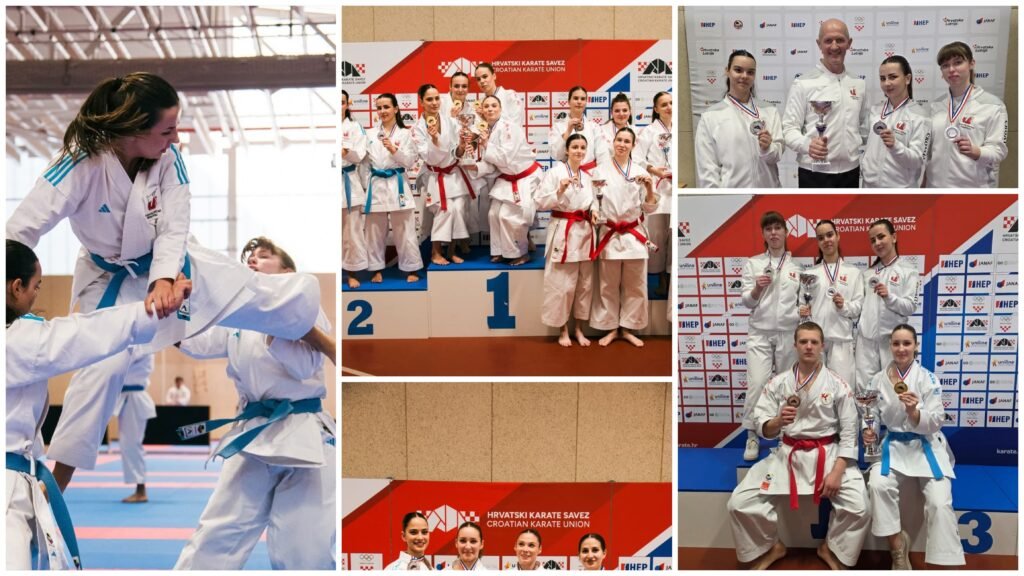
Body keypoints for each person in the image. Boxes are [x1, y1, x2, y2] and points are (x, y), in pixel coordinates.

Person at [5, 72, 333, 492]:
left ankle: (329, 346)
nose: (175, 138)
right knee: (98, 371)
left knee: (256, 295)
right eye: (167, 130)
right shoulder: (80, 161)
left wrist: (162, 278)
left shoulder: (169, 159)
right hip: (106, 274)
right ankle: (56, 485)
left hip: (175, 263)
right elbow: (21, 230)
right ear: (133, 130)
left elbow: (174, 228)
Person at [6, 239, 190, 570]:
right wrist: (153, 307)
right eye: (36, 287)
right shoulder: (19, 340)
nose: (37, 295)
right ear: (16, 287)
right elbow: (88, 332)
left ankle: (138, 485)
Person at [173, 236, 335, 570]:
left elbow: (304, 367)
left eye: (263, 256)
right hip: (252, 433)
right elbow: (197, 342)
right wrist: (174, 310)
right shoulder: (237, 318)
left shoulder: (306, 307)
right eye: (249, 257)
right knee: (216, 535)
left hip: (305, 432)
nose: (252, 260)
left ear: (287, 272)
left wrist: (276, 325)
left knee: (302, 548)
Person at [726, 322, 869, 570]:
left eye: (814, 342)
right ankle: (772, 547)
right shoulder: (778, 383)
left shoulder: (838, 384)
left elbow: (849, 433)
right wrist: (778, 421)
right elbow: (762, 426)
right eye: (803, 342)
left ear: (822, 346)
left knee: (860, 507)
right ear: (795, 345)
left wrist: (837, 472)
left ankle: (830, 549)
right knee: (739, 503)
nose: (809, 346)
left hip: (828, 453)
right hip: (788, 453)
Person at [863, 325, 964, 569]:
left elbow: (937, 421)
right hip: (894, 446)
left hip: (925, 446)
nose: (901, 349)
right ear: (890, 346)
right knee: (877, 485)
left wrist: (914, 412)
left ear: (916, 346)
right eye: (896, 343)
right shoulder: (877, 380)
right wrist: (869, 431)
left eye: (906, 343)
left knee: (940, 502)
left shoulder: (928, 379)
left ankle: (942, 563)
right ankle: (897, 547)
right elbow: (871, 414)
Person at [739, 211, 802, 461]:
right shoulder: (753, 264)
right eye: (768, 229)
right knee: (757, 384)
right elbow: (747, 301)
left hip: (788, 333)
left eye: (777, 228)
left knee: (787, 386)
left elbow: (802, 303)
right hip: (760, 333)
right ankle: (752, 435)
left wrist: (800, 312)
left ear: (786, 232)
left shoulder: (797, 267)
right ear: (763, 234)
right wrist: (757, 288)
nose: (773, 233)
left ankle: (784, 434)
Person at [590, 127, 658, 347]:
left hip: (633, 235)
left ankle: (628, 329)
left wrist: (649, 187)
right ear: (613, 142)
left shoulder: (640, 172)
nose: (621, 144)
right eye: (619, 140)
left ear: (633, 145)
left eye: (627, 141)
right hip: (609, 233)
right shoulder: (599, 171)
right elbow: (593, 200)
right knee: (607, 285)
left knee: (635, 285)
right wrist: (594, 212)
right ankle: (611, 328)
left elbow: (649, 207)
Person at [782, 19, 867, 188]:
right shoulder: (803, 83)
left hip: (851, 171)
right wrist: (807, 145)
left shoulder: (858, 83)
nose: (834, 46)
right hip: (813, 172)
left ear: (849, 43)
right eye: (828, 40)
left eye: (840, 40)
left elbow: (864, 126)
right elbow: (789, 128)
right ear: (819, 44)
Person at [536, 133, 596, 347]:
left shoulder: (588, 176)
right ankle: (562, 330)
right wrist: (559, 190)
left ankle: (579, 329)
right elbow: (539, 202)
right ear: (567, 150)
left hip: (585, 233)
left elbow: (593, 201)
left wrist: (594, 211)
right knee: (561, 285)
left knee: (584, 285)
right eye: (575, 147)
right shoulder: (554, 173)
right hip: (563, 231)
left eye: (582, 147)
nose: (579, 151)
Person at [925, 41, 1008, 188]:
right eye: (945, 65)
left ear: (971, 64)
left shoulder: (993, 105)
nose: (951, 69)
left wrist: (976, 151)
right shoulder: (936, 105)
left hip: (971, 190)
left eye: (958, 62)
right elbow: (929, 151)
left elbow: (999, 151)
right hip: (935, 188)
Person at [695, 50, 783, 188]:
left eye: (750, 72)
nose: (744, 76)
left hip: (768, 192)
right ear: (727, 71)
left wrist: (767, 148)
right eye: (738, 70)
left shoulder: (770, 111)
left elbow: (776, 156)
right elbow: (707, 170)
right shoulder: (711, 116)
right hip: (732, 196)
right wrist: (715, 197)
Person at [473, 95, 541, 266]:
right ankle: (501, 251)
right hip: (508, 177)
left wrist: (486, 144)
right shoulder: (487, 130)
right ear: (482, 111)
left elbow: (505, 158)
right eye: (486, 106)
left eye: (494, 105)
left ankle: (521, 253)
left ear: (501, 109)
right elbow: (492, 164)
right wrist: (474, 167)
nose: (490, 109)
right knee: (493, 213)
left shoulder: (510, 127)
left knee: (509, 216)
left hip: (524, 177)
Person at [855, 219, 919, 394]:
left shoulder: (908, 271)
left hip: (891, 343)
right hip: (866, 342)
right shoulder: (867, 273)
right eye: (873, 240)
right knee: (865, 391)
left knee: (894, 391)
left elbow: (910, 306)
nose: (877, 243)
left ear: (894, 237)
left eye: (881, 237)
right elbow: (859, 306)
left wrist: (889, 297)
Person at [796, 220, 863, 387]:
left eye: (829, 235)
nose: (826, 240)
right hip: (815, 343)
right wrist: (802, 311)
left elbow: (857, 308)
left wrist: (843, 306)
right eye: (821, 237)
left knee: (843, 390)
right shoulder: (810, 274)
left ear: (838, 236)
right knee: (814, 390)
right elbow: (801, 305)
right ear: (818, 242)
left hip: (841, 340)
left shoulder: (853, 272)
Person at [365, 92, 423, 283]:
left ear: (396, 109)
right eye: (379, 107)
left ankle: (411, 268)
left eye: (386, 107)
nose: (383, 111)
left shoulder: (405, 133)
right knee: (374, 231)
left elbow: (410, 161)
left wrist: (393, 150)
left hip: (397, 183)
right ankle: (375, 269)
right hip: (376, 184)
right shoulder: (370, 133)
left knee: (405, 230)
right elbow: (365, 163)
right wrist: (366, 184)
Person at [415, 84, 474, 266]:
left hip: (453, 174)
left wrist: (462, 147)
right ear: (421, 101)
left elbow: (456, 152)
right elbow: (430, 158)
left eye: (436, 98)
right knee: (444, 210)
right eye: (429, 99)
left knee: (458, 208)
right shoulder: (417, 128)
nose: (434, 103)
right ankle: (435, 252)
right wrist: (435, 140)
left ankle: (452, 250)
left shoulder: (451, 122)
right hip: (435, 176)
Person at [861, 55, 931, 188]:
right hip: (868, 187)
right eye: (883, 78)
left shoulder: (920, 116)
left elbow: (917, 161)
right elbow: (859, 138)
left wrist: (895, 146)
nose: (887, 83)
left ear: (907, 79)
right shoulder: (875, 110)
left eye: (893, 77)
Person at [635, 91, 673, 297]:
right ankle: (659, 279)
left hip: (675, 189)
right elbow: (637, 158)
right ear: (656, 109)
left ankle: (671, 277)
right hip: (656, 190)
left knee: (674, 235)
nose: (669, 107)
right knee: (657, 235)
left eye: (671, 103)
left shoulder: (679, 131)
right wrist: (653, 170)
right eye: (664, 104)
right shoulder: (648, 132)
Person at [116, 354, 156, 503]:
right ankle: (139, 488)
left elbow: (123, 360)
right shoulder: (139, 346)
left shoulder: (143, 346)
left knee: (132, 444)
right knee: (128, 444)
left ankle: (141, 490)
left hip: (134, 398)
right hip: (127, 396)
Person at [548, 86, 610, 174]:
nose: (579, 102)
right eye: (576, 98)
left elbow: (603, 155)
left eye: (583, 99)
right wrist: (568, 131)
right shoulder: (557, 127)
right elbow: (557, 155)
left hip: (589, 174)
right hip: (566, 174)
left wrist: (600, 176)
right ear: (568, 102)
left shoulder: (594, 127)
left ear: (586, 102)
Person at [342, 88, 369, 288]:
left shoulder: (354, 127)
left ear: (347, 104)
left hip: (348, 181)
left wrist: (345, 152)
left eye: (342, 102)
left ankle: (352, 272)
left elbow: (359, 155)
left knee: (352, 232)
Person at [474, 62, 523, 128]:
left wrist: (489, 116)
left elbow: (515, 126)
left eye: (485, 76)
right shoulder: (479, 104)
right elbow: (479, 129)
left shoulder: (510, 96)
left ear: (494, 76)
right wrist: (483, 119)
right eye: (478, 79)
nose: (482, 81)